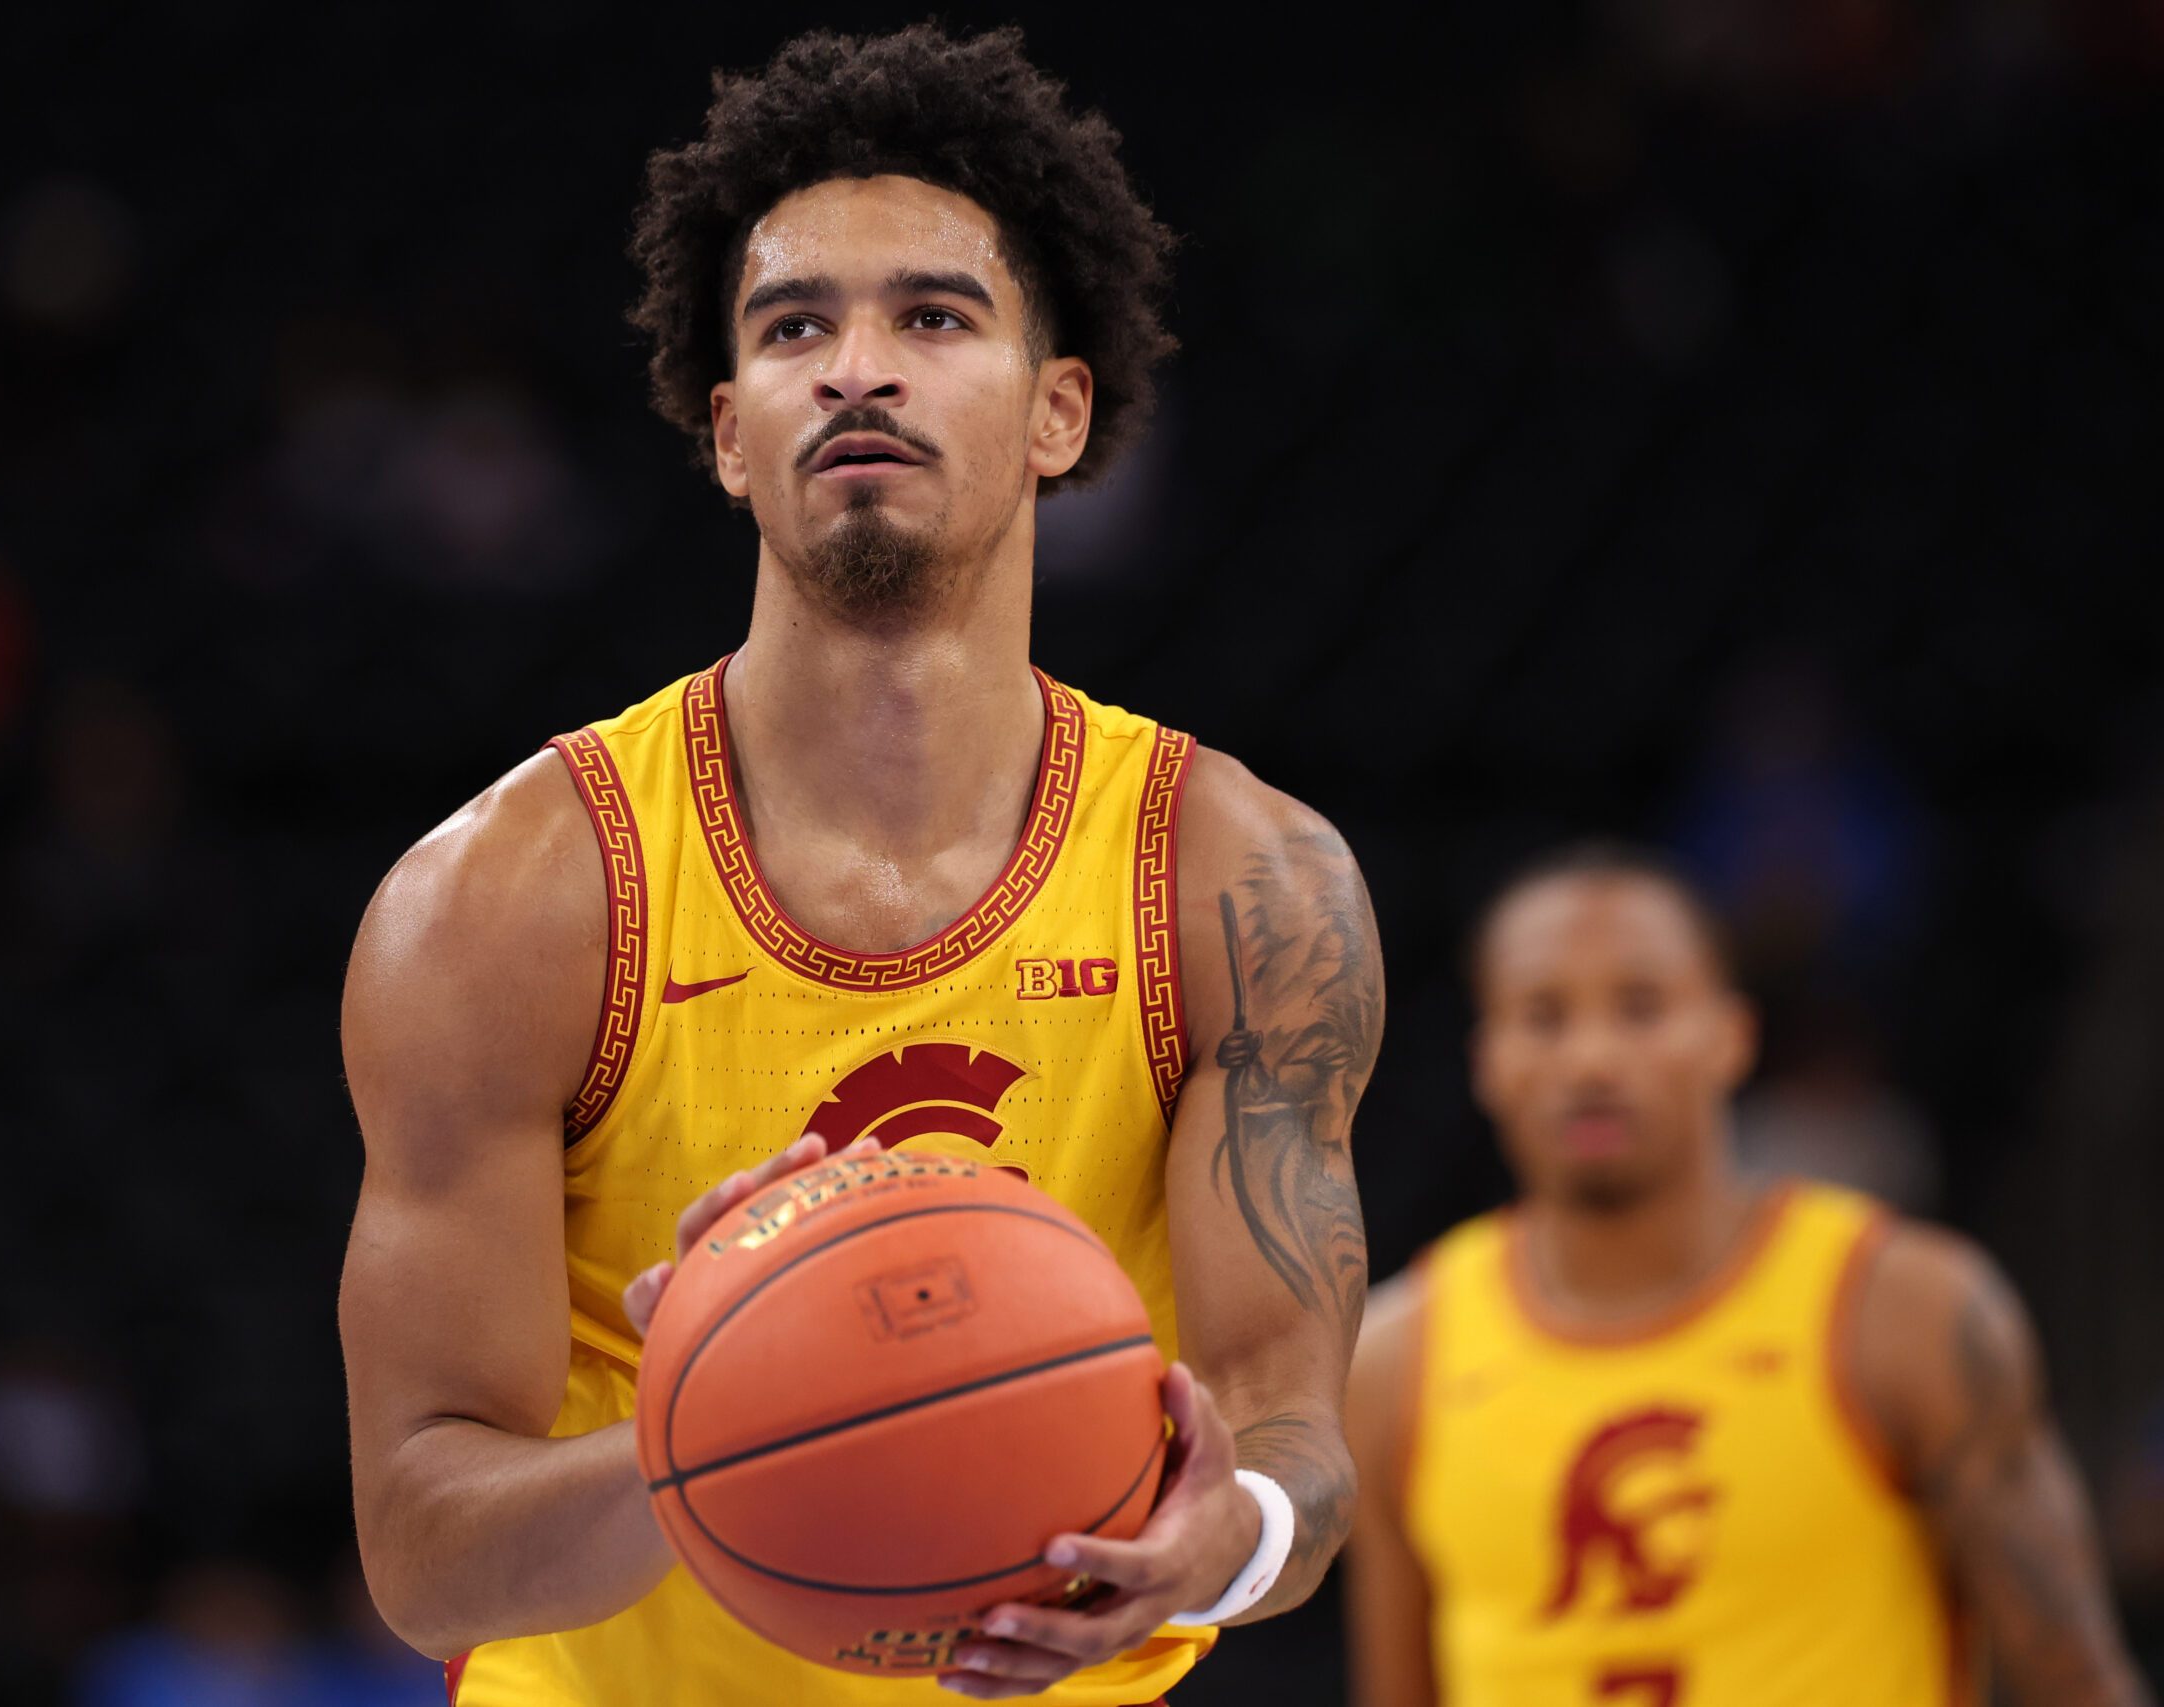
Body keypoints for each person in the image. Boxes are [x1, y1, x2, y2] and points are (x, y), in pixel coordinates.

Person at [336, 25, 1382, 1707]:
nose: (857, 367)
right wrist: (737, 1431)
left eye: (934, 316)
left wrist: (1228, 1531)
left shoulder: (1237, 881)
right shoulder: (508, 899)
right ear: (731, 433)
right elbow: (421, 1546)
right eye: (794, 325)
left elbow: (1293, 1443)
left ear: (1059, 411)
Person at [1342, 842, 2153, 1707]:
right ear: (1487, 1060)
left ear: (1731, 1036)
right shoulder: (1397, 1359)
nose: (1591, 1060)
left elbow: (2076, 1679)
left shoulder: (1908, 1312)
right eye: (1544, 1015)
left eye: (1641, 1007)